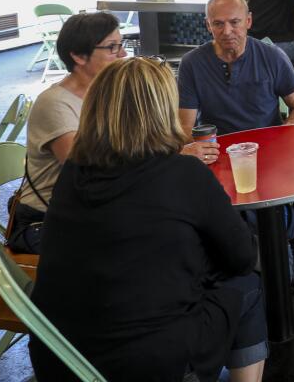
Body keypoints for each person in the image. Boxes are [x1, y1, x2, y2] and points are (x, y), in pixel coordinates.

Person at [30, 58, 267, 382]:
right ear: (162, 110)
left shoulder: (72, 173)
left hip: (61, 358)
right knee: (248, 285)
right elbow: (240, 258)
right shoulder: (183, 173)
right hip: (149, 362)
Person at [177, 0, 294, 293]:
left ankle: (285, 257)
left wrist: (282, 137)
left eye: (234, 22)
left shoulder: (271, 57)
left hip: (271, 154)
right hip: (221, 157)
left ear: (249, 21)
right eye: (218, 23)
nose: (227, 31)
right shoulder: (192, 64)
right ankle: (275, 263)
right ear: (207, 26)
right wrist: (192, 147)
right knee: (247, 210)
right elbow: (185, 127)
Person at [8, 12, 128, 254]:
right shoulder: (55, 103)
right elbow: (88, 170)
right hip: (46, 220)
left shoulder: (106, 93)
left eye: (121, 45)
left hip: (89, 209)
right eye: (112, 47)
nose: (123, 54)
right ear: (78, 56)